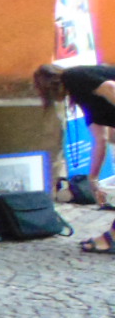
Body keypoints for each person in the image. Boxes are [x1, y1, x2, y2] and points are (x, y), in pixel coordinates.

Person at [33, 61, 115, 249]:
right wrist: (93, 180)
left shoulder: (74, 77)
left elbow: (111, 88)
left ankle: (111, 239)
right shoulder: (84, 97)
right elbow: (100, 140)